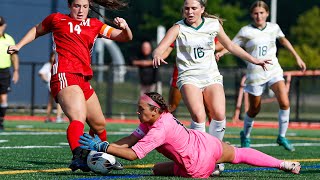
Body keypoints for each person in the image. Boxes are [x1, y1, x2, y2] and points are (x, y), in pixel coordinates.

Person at [7, 0, 133, 172]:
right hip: (64, 75)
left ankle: (97, 155)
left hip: (83, 80)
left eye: (85, 7)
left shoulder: (95, 24)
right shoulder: (57, 19)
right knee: (78, 118)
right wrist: (19, 45)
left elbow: (125, 37)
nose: (81, 10)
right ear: (69, 6)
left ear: (89, 8)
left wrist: (125, 27)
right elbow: (37, 30)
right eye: (77, 6)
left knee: (99, 125)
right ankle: (78, 157)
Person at [79, 92, 301, 178]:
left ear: (155, 111)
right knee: (239, 154)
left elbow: (134, 154)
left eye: (141, 109)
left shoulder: (158, 129)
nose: (138, 112)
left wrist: (104, 148)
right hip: (204, 142)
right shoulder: (158, 118)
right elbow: (130, 140)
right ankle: (283, 164)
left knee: (156, 170)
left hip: (195, 164)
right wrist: (107, 147)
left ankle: (209, 169)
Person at [152, 0, 271, 143]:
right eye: (187, 8)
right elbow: (160, 48)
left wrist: (254, 59)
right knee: (199, 116)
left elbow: (231, 46)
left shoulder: (213, 25)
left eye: (194, 8)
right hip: (189, 77)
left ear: (202, 9)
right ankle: (199, 154)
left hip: (211, 76)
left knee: (219, 115)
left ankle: (215, 153)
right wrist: (157, 54)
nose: (190, 12)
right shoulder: (178, 28)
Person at [216, 0, 306, 151]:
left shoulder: (273, 28)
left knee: (285, 102)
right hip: (255, 74)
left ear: (267, 14)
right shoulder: (245, 31)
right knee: (254, 110)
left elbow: (284, 41)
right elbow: (232, 45)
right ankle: (245, 134)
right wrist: (221, 53)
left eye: (262, 13)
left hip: (273, 71)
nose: (259, 16)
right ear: (252, 14)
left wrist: (297, 57)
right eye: (256, 13)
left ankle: (281, 136)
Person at [163, 38, 224, 114]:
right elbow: (166, 49)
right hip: (182, 72)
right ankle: (163, 124)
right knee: (172, 106)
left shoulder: (207, 28)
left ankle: (211, 125)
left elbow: (222, 44)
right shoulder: (179, 28)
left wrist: (206, 47)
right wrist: (158, 56)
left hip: (203, 73)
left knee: (209, 108)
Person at [0, 16, 19, 131]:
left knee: (3, 97)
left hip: (4, 72)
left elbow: (14, 56)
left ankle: (1, 121)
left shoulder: (9, 40)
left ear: (4, 26)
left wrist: (16, 71)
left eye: (0, 25)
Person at [38, 52, 64, 123]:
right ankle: (57, 117)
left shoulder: (59, 64)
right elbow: (41, 73)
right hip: (52, 85)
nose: (54, 58)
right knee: (57, 102)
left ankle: (49, 117)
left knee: (52, 102)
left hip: (57, 85)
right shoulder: (48, 65)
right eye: (53, 56)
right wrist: (46, 80)